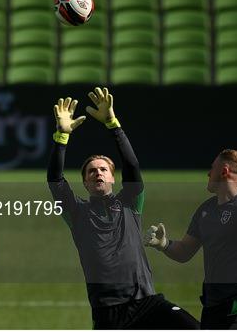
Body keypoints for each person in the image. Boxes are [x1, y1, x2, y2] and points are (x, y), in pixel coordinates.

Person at [47, 87, 199, 329]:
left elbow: (132, 165)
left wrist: (113, 124)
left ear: (112, 178)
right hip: (108, 313)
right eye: (91, 171)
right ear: (85, 182)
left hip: (147, 303)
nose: (98, 172)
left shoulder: (130, 202)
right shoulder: (77, 213)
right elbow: (55, 181)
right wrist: (61, 137)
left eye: (103, 169)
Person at [144, 149, 237, 329]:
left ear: (224, 171)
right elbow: (185, 251)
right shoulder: (205, 210)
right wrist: (163, 244)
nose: (208, 173)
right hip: (211, 308)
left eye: (212, 168)